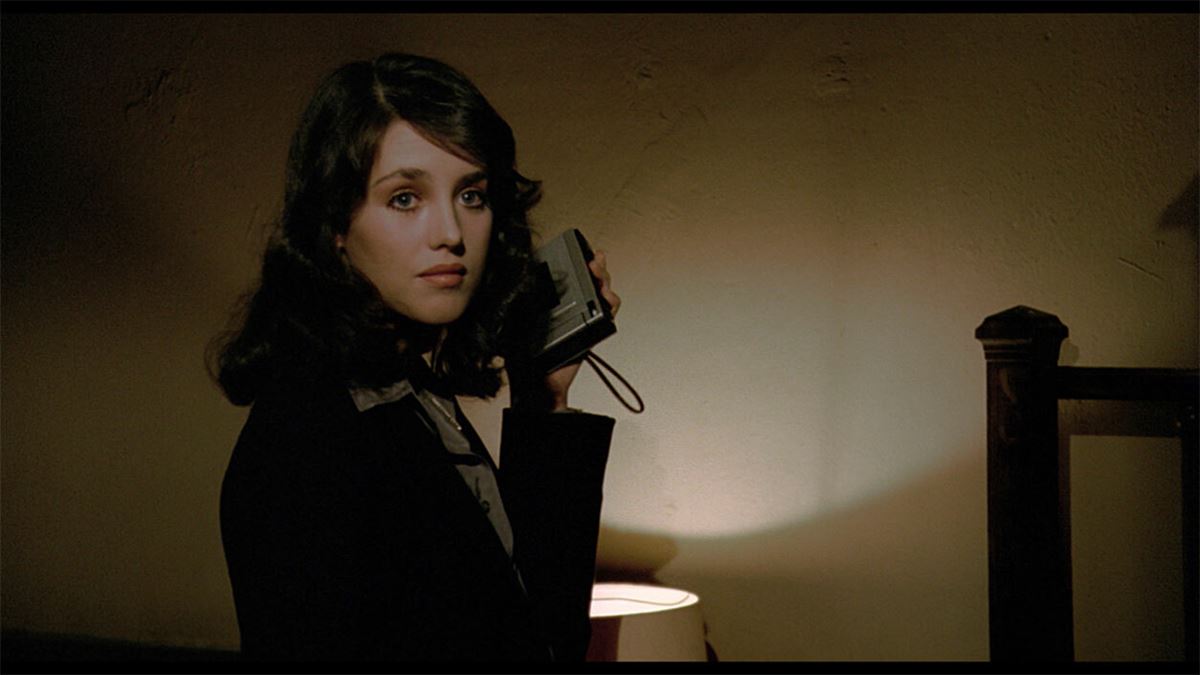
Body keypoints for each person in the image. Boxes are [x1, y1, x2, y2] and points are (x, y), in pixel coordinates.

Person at [208, 53, 620, 662]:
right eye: (405, 198)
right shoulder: (308, 444)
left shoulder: (410, 398)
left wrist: (544, 396)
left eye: (472, 195)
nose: (450, 232)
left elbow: (540, 637)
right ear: (335, 225)